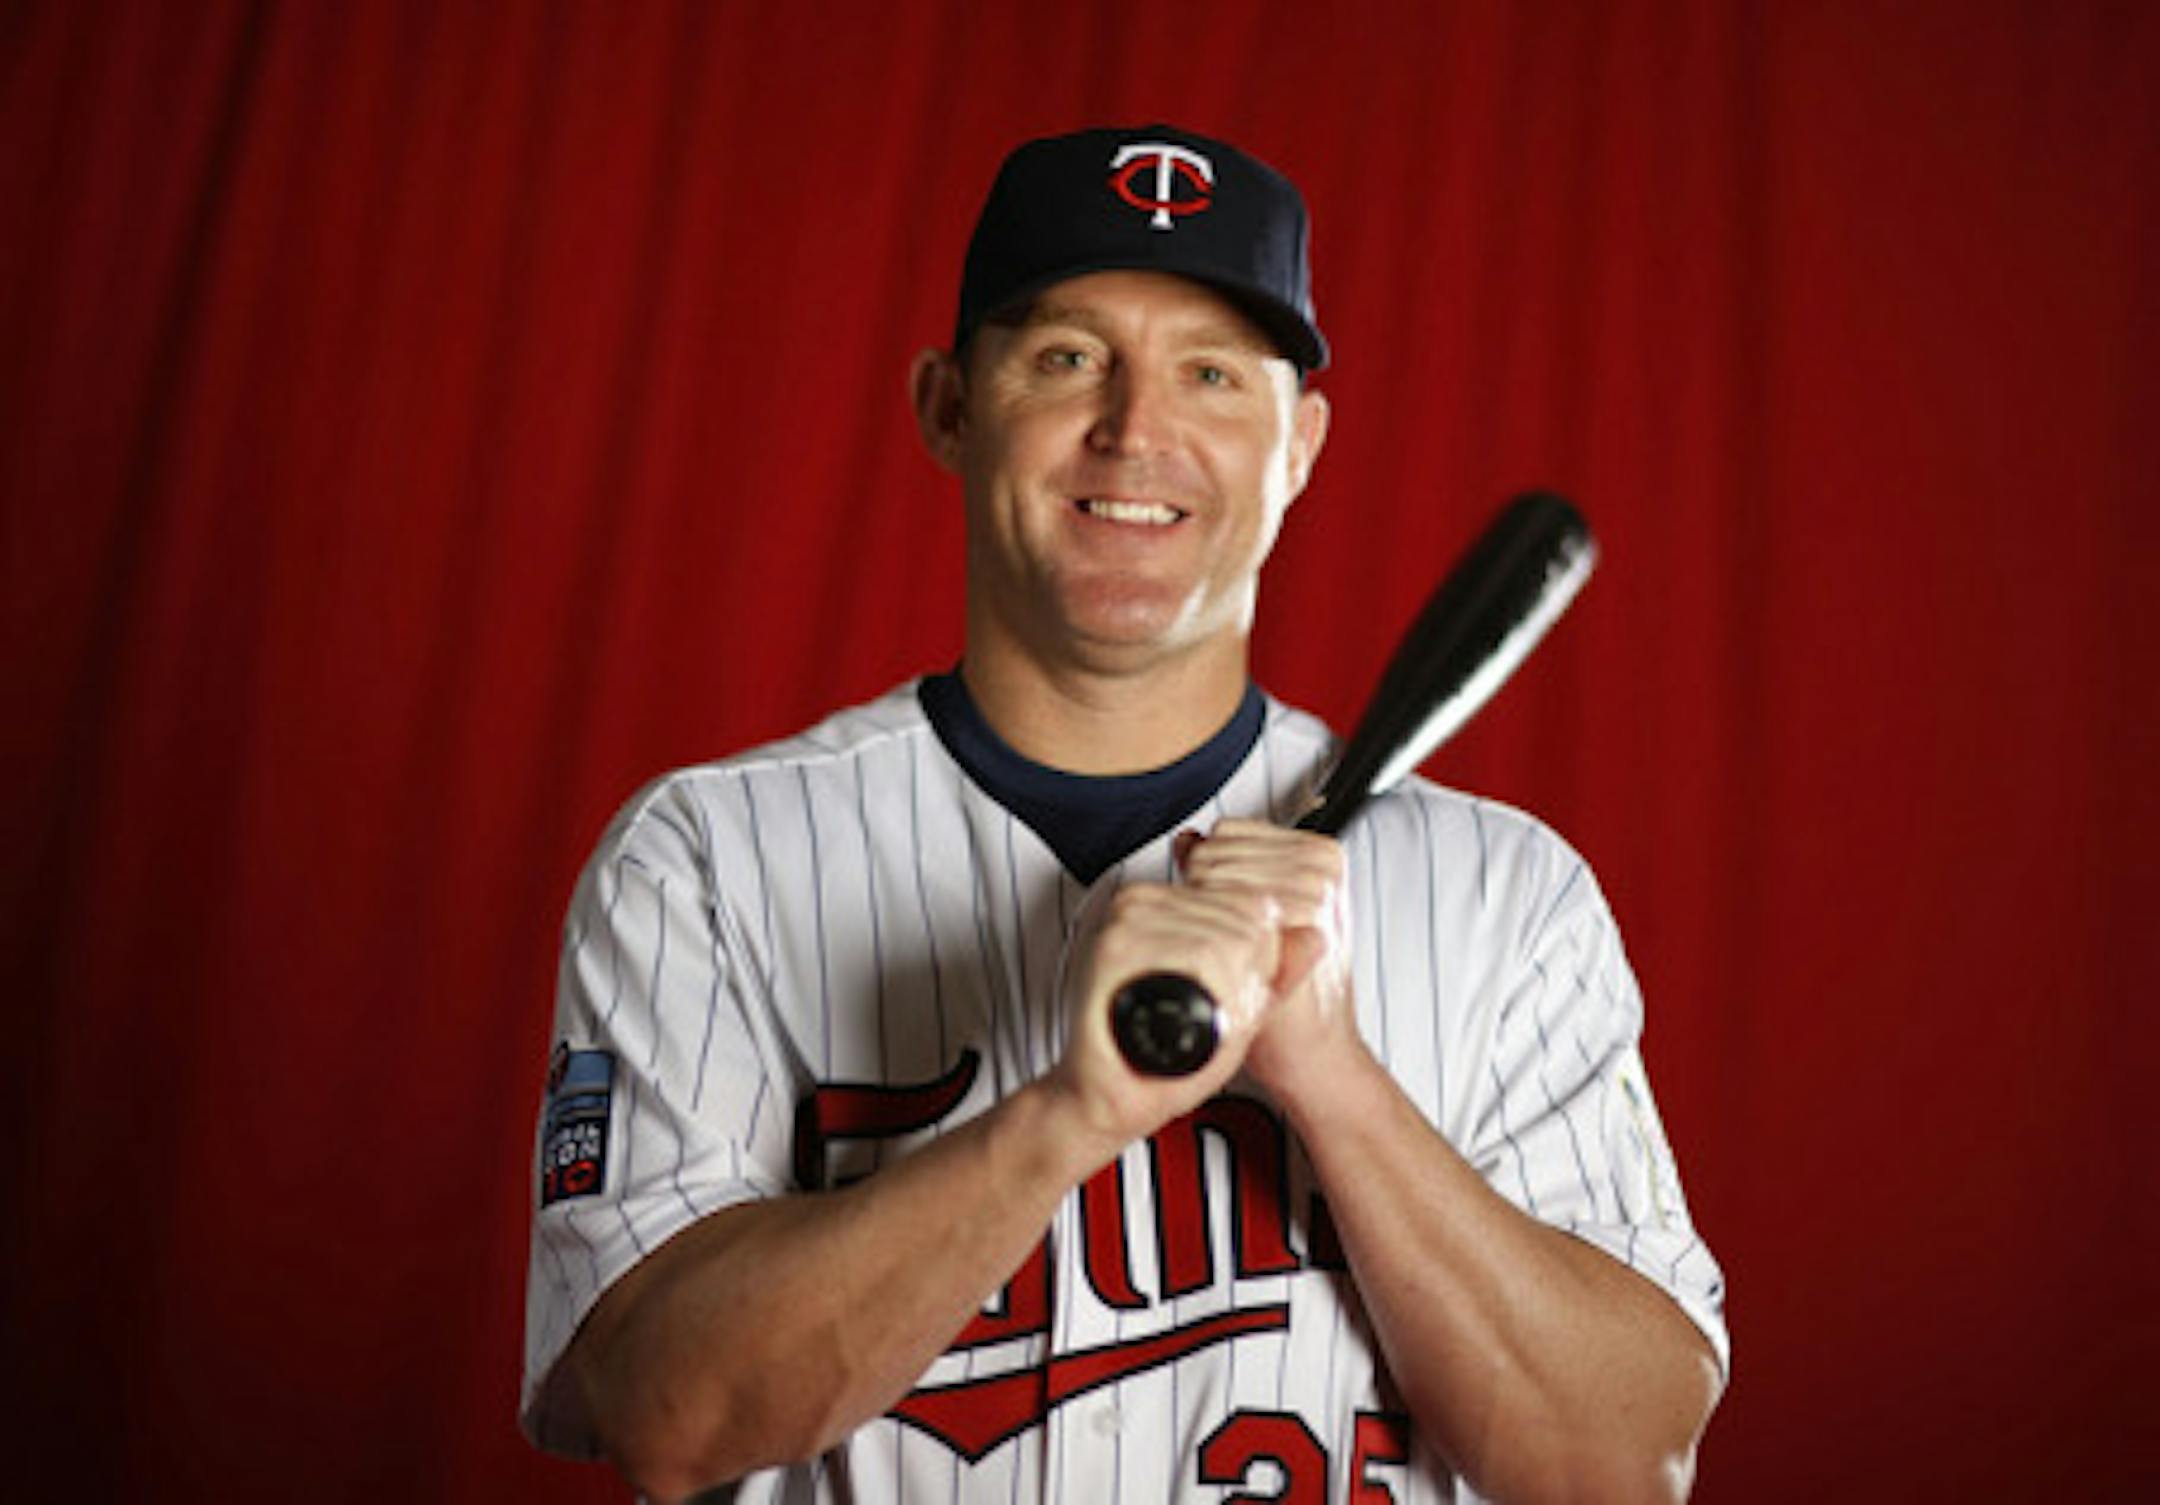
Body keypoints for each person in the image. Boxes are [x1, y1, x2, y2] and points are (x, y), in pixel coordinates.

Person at [522, 123, 1728, 1504]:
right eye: (1066, 357)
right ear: (947, 407)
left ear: (1301, 446)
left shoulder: (1504, 894)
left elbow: (1625, 1460)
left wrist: (1334, 1080)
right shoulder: (706, 862)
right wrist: (1066, 1115)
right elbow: (669, 1411)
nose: (1135, 430)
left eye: (1211, 372)